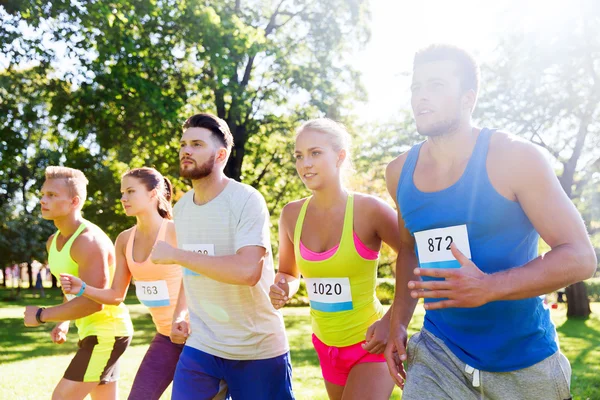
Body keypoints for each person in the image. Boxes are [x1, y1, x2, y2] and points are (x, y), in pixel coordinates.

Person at [383, 44, 597, 400]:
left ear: (469, 97)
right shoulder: (398, 172)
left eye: (435, 85)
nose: (421, 96)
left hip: (524, 362)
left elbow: (580, 256)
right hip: (439, 354)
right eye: (415, 86)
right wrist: (398, 322)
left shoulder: (514, 157)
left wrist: (489, 287)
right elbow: (410, 249)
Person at [149, 113, 294, 400]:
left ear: (221, 154)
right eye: (183, 144)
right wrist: (181, 312)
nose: (186, 150)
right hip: (202, 346)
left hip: (257, 348)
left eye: (197, 144)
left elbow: (247, 271)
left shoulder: (246, 200)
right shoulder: (183, 209)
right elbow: (194, 270)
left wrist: (177, 255)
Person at [59, 167, 227, 400]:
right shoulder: (124, 239)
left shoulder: (177, 231)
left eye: (130, 191)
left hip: (200, 336)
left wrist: (180, 316)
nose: (123, 198)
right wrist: (84, 289)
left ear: (152, 193)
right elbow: (117, 295)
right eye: (122, 192)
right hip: (166, 338)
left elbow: (196, 275)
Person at [269, 118, 400, 399]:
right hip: (325, 344)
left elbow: (416, 258)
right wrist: (283, 287)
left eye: (315, 153)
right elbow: (289, 274)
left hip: (370, 344)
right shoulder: (291, 215)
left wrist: (392, 321)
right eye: (299, 156)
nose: (305, 163)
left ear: (340, 157)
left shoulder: (370, 210)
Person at [24, 166, 133, 400]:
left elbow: (95, 303)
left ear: (74, 201)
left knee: (61, 398)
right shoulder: (53, 242)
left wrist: (42, 314)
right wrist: (63, 322)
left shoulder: (88, 241)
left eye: (52, 195)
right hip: (91, 333)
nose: (43, 200)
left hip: (107, 333)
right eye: (42, 194)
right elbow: (71, 287)